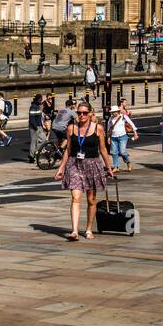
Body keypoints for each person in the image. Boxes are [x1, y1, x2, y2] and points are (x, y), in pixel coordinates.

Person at [53, 101, 114, 241]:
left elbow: (103, 149)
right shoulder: (71, 128)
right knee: (75, 198)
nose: (81, 115)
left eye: (84, 113)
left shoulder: (98, 128)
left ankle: (88, 229)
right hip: (74, 164)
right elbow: (68, 150)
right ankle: (74, 231)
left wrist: (109, 167)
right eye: (79, 113)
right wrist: (61, 168)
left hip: (92, 165)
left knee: (91, 200)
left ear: (90, 114)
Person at [107, 101, 139, 172]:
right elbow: (109, 128)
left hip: (123, 136)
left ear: (118, 111)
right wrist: (108, 137)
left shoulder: (123, 117)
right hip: (113, 137)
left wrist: (135, 132)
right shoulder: (110, 118)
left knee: (122, 152)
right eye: (113, 112)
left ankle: (128, 162)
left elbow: (131, 123)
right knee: (114, 152)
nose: (114, 113)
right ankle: (116, 167)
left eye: (115, 112)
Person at [26, 94, 46, 163]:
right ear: (38, 99)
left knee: (43, 139)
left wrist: (41, 126)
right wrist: (36, 127)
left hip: (39, 126)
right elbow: (32, 118)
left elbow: (39, 117)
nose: (41, 101)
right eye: (41, 99)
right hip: (34, 127)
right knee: (33, 142)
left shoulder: (37, 106)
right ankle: (32, 156)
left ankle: (35, 153)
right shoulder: (33, 107)